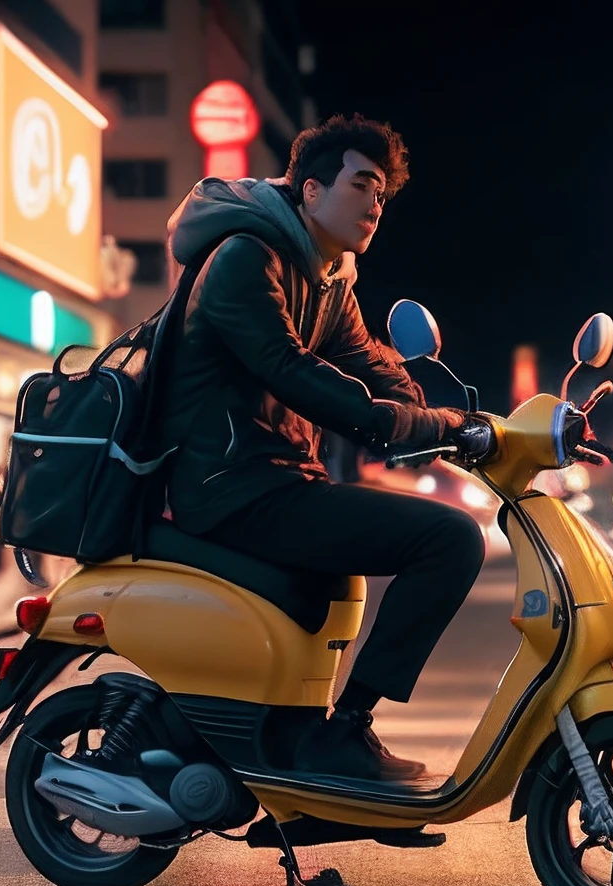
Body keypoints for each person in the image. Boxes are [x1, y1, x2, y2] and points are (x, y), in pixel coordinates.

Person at [158, 114, 493, 784]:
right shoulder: (244, 257)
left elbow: (368, 359)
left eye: (382, 194)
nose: (374, 203)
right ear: (310, 189)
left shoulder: (327, 277)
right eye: (362, 184)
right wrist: (404, 426)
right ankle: (347, 731)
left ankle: (305, 752)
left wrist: (450, 420)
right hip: (228, 485)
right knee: (450, 541)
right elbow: (287, 368)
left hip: (275, 480)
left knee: (354, 574)